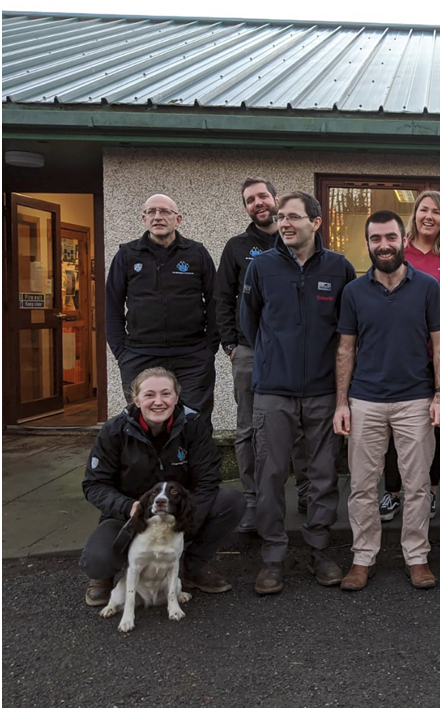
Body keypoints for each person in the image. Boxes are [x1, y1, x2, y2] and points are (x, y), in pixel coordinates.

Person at [240, 191, 356, 596]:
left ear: (316, 222)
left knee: (323, 475)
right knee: (271, 474)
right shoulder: (261, 267)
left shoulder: (339, 268)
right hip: (273, 390)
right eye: (281, 217)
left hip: (324, 390)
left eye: (293, 216)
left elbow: (347, 330)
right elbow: (249, 322)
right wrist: (275, 357)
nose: (284, 223)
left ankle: (319, 550)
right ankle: (273, 556)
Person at [334, 210, 440, 591]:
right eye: (375, 239)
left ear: (403, 240)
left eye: (390, 237)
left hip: (416, 399)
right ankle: (362, 558)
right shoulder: (353, 292)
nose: (383, 245)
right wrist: (341, 403)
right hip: (365, 400)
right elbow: (345, 349)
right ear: (368, 243)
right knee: (362, 486)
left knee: (417, 485)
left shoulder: (428, 287)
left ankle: (417, 557)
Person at [80, 367, 245, 607]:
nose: (159, 402)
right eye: (149, 395)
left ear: (176, 397)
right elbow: (94, 484)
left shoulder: (193, 426)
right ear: (136, 399)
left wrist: (184, 519)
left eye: (166, 394)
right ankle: (105, 578)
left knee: (231, 502)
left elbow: (208, 481)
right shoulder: (114, 431)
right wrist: (128, 507)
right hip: (130, 516)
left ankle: (190, 568)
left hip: (178, 513)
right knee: (97, 559)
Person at [216, 178, 311, 535]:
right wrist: (231, 345)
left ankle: (306, 494)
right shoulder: (237, 248)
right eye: (250, 200)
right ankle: (253, 500)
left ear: (275, 199)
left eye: (262, 196)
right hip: (250, 351)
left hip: (295, 353)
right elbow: (223, 298)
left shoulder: (298, 240)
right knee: (248, 430)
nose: (257, 203)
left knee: (299, 425)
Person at [378, 191, 440, 523]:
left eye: (437, 212)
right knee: (394, 424)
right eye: (424, 210)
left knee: (437, 424)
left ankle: (429, 490)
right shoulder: (399, 250)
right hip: (403, 351)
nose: (429, 216)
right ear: (414, 214)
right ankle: (392, 491)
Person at [105, 194, 218, 427]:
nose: (158, 216)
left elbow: (216, 301)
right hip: (140, 356)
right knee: (144, 424)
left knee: (194, 423)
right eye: (152, 212)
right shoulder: (127, 255)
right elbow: (112, 306)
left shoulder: (196, 253)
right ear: (144, 219)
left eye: (165, 211)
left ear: (178, 219)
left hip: (192, 357)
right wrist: (121, 352)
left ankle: (194, 454)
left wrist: (209, 348)